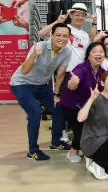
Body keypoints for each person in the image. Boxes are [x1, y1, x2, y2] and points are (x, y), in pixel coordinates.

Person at [9, 23, 72, 160]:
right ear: (51, 35)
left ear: (69, 37)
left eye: (65, 36)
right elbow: (24, 71)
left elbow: (60, 74)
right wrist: (34, 55)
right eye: (58, 35)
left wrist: (56, 94)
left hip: (41, 85)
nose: (61, 38)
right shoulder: (40, 47)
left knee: (59, 108)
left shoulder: (67, 51)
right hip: (21, 83)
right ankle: (33, 151)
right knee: (35, 112)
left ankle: (56, 143)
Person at [61, 42, 106, 163]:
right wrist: (73, 83)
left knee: (94, 129)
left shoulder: (102, 72)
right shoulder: (81, 69)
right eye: (94, 52)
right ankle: (73, 151)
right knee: (82, 131)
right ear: (88, 55)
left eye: (101, 52)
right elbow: (71, 86)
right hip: (72, 106)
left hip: (89, 106)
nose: (98, 54)